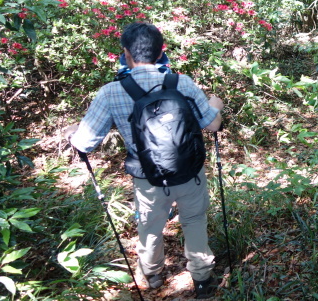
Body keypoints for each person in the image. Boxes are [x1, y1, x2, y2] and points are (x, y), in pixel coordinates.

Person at [66, 22, 224, 299]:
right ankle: (202, 279)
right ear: (162, 51)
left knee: (150, 228)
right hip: (190, 172)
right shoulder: (182, 83)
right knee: (195, 220)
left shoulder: (111, 92)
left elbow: (84, 143)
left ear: (126, 52)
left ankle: (151, 276)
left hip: (147, 178)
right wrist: (216, 104)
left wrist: (72, 133)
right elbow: (212, 125)